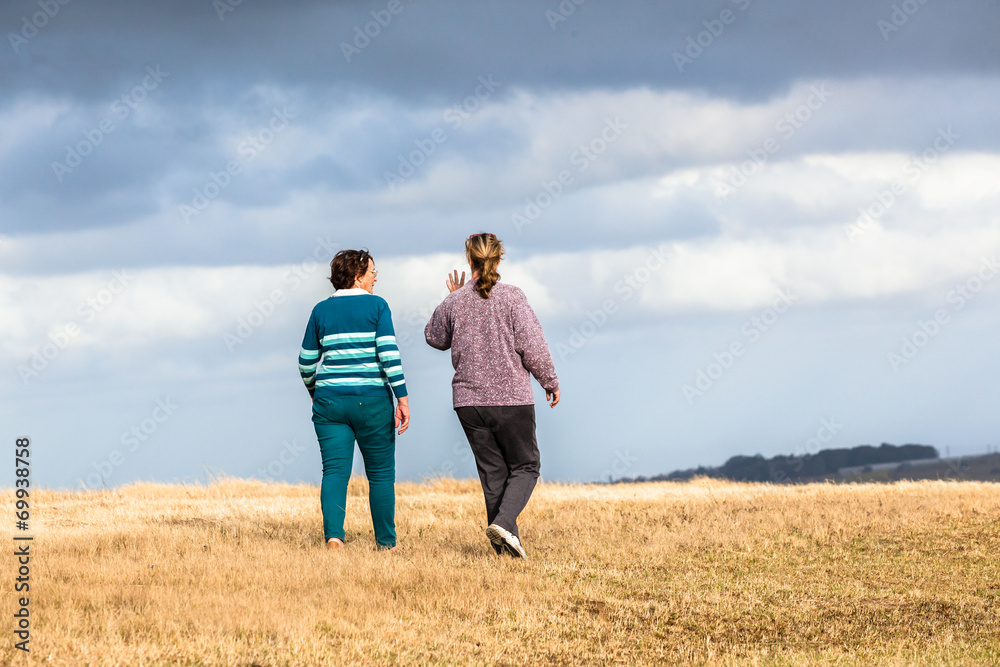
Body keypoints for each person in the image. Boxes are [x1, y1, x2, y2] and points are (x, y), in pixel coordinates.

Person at [424, 233, 560, 559]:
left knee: (493, 474)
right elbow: (533, 345)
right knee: (527, 466)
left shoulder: (455, 302)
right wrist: (549, 381)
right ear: (499, 260)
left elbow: (433, 336)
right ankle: (503, 522)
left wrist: (453, 298)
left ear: (468, 260)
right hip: (511, 398)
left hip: (469, 403)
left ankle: (506, 551)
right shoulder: (512, 297)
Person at [298, 249, 409, 551]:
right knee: (381, 474)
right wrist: (402, 398)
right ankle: (386, 543)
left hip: (329, 402)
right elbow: (388, 355)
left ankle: (334, 537)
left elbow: (306, 363)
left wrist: (315, 392)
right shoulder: (377, 306)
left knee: (334, 472)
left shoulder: (320, 310)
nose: (376, 278)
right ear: (358, 276)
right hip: (372, 401)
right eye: (373, 272)